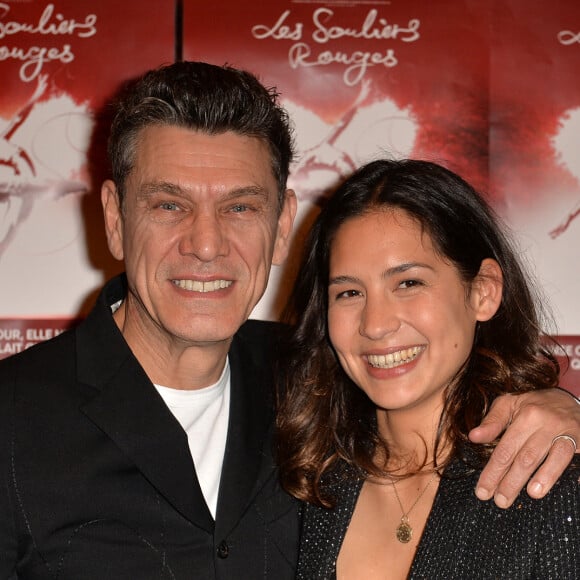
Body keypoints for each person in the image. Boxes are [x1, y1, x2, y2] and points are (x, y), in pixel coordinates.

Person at [0, 62, 578, 579]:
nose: (206, 244)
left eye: (241, 207)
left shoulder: (312, 380)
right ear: (115, 219)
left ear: (280, 229)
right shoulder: (13, 420)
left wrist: (565, 411)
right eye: (169, 205)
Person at [277, 158, 580, 579]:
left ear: (483, 291)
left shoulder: (550, 485)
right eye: (348, 292)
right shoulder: (303, 479)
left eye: (408, 283)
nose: (376, 324)